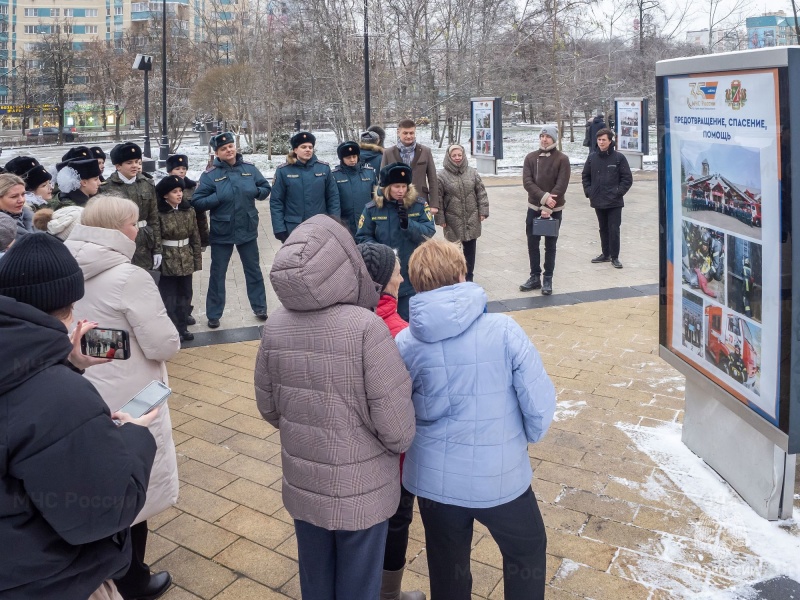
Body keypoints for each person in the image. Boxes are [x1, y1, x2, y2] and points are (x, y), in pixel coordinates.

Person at [255, 214, 416, 600]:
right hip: (362, 490)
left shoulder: (274, 326)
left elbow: (269, 407)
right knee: (359, 585)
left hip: (304, 485)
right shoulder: (366, 327)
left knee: (316, 581)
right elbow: (397, 429)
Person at [395, 238, 556, 600]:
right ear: (461, 274)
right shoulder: (504, 331)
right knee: (526, 550)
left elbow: (396, 412)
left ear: (416, 283)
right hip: (500, 476)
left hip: (435, 483)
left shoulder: (405, 343)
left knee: (447, 567)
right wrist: (526, 437)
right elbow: (538, 403)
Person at [0, 233, 158, 599]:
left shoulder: (38, 378)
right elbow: (106, 511)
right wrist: (134, 434)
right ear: (69, 308)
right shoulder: (62, 396)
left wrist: (66, 363)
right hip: (50, 580)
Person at [65, 195, 181, 600]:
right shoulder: (129, 276)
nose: (138, 231)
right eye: (134, 224)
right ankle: (134, 579)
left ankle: (102, 574)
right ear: (118, 230)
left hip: (77, 384)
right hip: (131, 393)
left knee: (94, 484)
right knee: (132, 485)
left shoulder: (63, 264)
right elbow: (164, 344)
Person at [191, 131, 271, 328]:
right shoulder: (210, 175)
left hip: (247, 229)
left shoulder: (249, 169)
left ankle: (260, 307)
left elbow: (265, 188)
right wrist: (217, 197)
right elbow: (197, 202)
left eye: (230, 146)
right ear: (216, 153)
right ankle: (214, 314)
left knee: (253, 270)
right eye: (223, 149)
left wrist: (256, 191)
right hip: (222, 231)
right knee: (218, 274)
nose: (228, 150)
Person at [356, 162, 435, 321]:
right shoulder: (372, 208)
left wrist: (408, 224)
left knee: (410, 319)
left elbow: (429, 232)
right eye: (396, 186)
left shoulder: (418, 205)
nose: (400, 190)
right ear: (387, 187)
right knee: (386, 320)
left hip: (411, 272)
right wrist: (383, 253)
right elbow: (363, 237)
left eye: (404, 186)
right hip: (384, 275)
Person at [520, 125, 570, 295]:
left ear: (554, 139)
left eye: (548, 136)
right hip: (534, 207)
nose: (544, 139)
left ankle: (548, 278)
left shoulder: (562, 159)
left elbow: (561, 184)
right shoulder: (531, 158)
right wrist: (543, 198)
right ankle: (534, 277)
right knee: (532, 243)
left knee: (550, 244)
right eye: (542, 136)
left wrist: (548, 207)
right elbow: (527, 182)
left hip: (554, 209)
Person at [269, 130, 340, 242]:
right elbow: (276, 201)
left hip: (320, 225)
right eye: (303, 147)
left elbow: (333, 198)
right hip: (293, 227)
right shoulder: (283, 171)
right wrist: (279, 228)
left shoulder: (324, 168)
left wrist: (334, 223)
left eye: (310, 147)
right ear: (295, 150)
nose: (308, 150)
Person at [155, 175, 202, 341]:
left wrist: (196, 260)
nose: (179, 194)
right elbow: (157, 237)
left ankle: (183, 328)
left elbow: (195, 236)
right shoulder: (159, 213)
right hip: (168, 259)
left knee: (185, 295)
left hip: (186, 258)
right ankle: (173, 330)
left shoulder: (188, 210)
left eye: (180, 191)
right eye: (174, 191)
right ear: (165, 195)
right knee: (170, 297)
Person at [102, 142, 162, 272]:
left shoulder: (147, 184)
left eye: (136, 161)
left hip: (145, 242)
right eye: (129, 163)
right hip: (119, 242)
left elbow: (154, 218)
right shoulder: (106, 188)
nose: (134, 165)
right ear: (118, 166)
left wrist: (157, 249)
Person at [436, 144, 489, 281]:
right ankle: (455, 277)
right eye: (454, 155)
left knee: (470, 250)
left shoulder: (472, 172)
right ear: (449, 157)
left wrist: (483, 211)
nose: (457, 158)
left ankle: (469, 277)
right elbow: (438, 199)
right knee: (454, 252)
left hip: (472, 218)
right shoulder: (441, 176)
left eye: (459, 155)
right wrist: (440, 218)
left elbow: (481, 192)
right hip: (452, 219)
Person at [581, 127, 633, 269]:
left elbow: (627, 178)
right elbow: (585, 176)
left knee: (614, 229)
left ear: (610, 141)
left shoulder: (618, 158)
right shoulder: (592, 158)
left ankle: (615, 257)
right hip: (598, 199)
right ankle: (605, 254)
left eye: (604, 140)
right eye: (599, 140)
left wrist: (618, 192)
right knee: (603, 228)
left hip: (614, 201)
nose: (601, 142)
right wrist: (589, 191)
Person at [381, 119, 440, 214]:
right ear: (398, 132)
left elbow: (433, 179)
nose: (409, 136)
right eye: (405, 133)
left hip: (420, 199)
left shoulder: (425, 151)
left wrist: (434, 204)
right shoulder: (388, 153)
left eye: (411, 133)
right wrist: (383, 201)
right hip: (395, 202)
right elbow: (383, 180)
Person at [333, 141, 377, 235]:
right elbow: (333, 201)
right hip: (346, 223)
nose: (352, 160)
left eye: (354, 156)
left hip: (367, 222)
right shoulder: (335, 176)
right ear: (342, 159)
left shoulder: (369, 173)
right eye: (348, 157)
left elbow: (376, 197)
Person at [167, 153, 209, 249]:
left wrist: (204, 239)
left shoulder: (192, 188)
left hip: (191, 234)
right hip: (169, 237)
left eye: (184, 168)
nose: (181, 171)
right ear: (169, 171)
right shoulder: (162, 189)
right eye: (177, 169)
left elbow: (201, 216)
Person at [0, 173, 34, 241]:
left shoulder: (31, 216)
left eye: (23, 194)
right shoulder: (3, 229)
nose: (21, 200)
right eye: (14, 196)